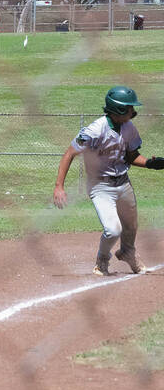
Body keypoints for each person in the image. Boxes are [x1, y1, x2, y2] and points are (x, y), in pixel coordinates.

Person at [53, 86, 164, 276]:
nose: (133, 111)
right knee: (113, 230)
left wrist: (150, 163)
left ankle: (128, 253)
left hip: (123, 183)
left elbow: (131, 156)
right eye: (129, 107)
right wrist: (59, 186)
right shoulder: (95, 130)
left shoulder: (128, 128)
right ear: (119, 110)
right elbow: (70, 153)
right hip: (100, 185)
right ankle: (101, 261)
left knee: (130, 226)